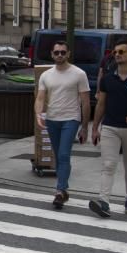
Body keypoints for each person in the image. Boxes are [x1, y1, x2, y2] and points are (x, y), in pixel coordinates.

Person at [89, 39, 127, 218]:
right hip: (110, 127)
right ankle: (104, 202)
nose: (117, 55)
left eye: (121, 52)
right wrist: (95, 127)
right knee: (108, 165)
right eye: (115, 52)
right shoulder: (108, 79)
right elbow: (101, 104)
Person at [34, 41, 90, 209]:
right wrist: (38, 114)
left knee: (64, 154)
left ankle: (60, 190)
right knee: (58, 155)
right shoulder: (46, 75)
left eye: (63, 52)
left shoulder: (79, 74)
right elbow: (40, 97)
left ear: (68, 54)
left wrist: (85, 126)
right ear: (52, 54)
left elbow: (85, 101)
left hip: (71, 118)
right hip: (52, 118)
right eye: (57, 52)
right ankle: (63, 188)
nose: (60, 55)